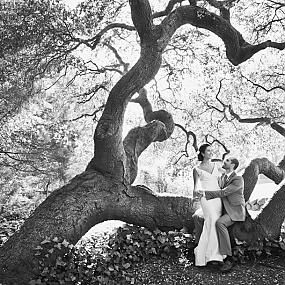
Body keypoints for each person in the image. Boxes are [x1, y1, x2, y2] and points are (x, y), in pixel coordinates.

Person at [203, 156, 246, 272]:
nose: (224, 162)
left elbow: (224, 192)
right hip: (223, 209)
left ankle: (229, 257)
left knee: (220, 224)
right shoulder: (222, 177)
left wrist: (205, 194)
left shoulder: (238, 179)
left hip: (235, 211)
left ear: (233, 165)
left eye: (227, 160)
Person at [192, 144, 225, 267]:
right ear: (202, 153)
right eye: (208, 151)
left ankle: (204, 253)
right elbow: (195, 187)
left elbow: (228, 176)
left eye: (212, 150)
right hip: (205, 198)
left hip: (217, 198)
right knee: (211, 219)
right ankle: (214, 256)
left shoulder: (217, 166)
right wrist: (197, 193)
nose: (211, 152)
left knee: (214, 223)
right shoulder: (196, 169)